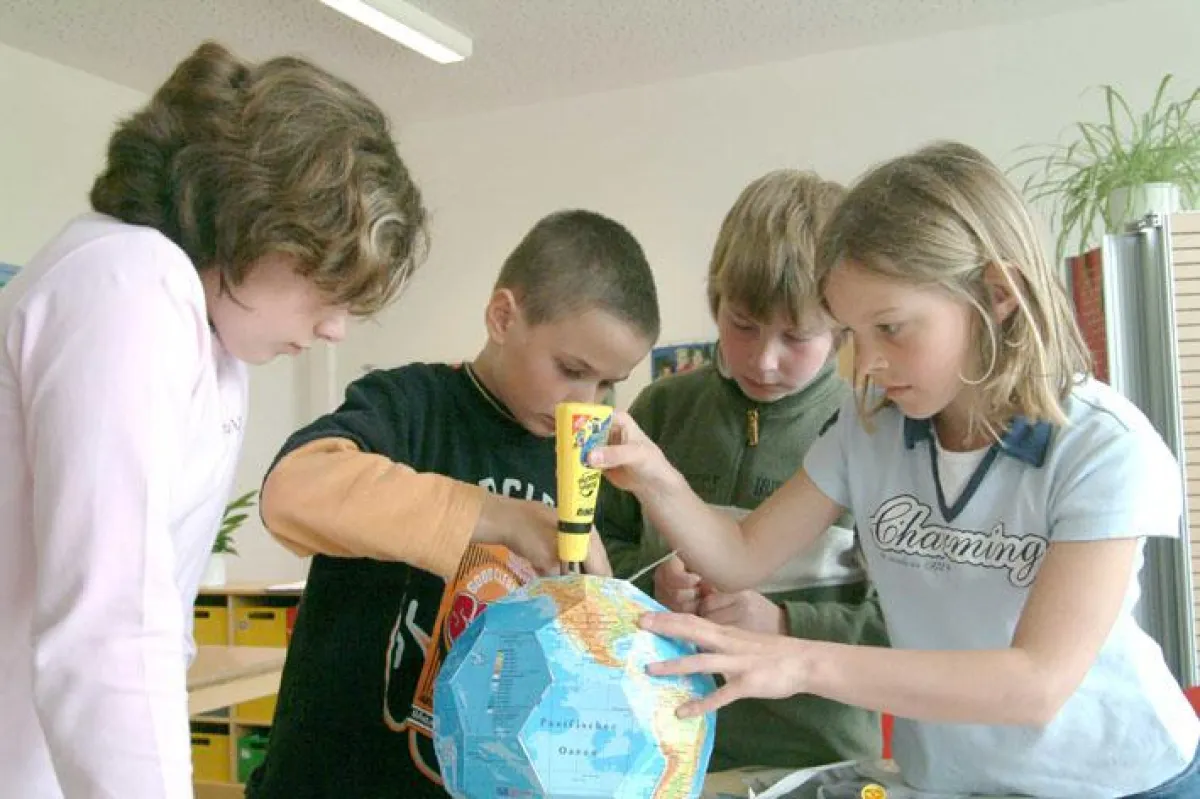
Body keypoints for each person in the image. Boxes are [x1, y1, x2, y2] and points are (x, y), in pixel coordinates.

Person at [593, 141, 1200, 797]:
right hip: (950, 781)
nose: (868, 364)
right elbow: (739, 556)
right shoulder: (872, 427)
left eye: (891, 328)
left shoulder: (1102, 447)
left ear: (998, 295)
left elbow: (1035, 683)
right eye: (854, 334)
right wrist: (653, 472)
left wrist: (800, 658)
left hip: (1122, 781)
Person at [0, 40, 426, 797]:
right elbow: (108, 632)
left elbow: (148, 633)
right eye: (330, 287)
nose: (333, 329)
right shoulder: (130, 284)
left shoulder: (212, 345)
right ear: (259, 222)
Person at [245, 209, 660, 798]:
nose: (584, 404)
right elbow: (292, 490)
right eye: (571, 370)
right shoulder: (411, 404)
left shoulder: (574, 460)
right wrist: (497, 516)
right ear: (502, 317)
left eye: (607, 385)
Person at [598, 169, 885, 772]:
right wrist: (649, 584)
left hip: (814, 760)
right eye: (742, 325)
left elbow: (900, 629)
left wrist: (783, 622)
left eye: (797, 336)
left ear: (840, 326)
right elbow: (596, 553)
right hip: (662, 751)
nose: (764, 358)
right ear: (715, 300)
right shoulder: (661, 412)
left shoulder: (873, 433)